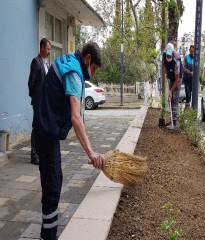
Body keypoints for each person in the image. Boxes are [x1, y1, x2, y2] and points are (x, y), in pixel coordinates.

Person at [32, 42, 105, 240]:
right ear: (88, 59)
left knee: (55, 181)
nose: (94, 73)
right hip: (46, 132)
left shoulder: (70, 60)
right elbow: (75, 117)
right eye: (95, 68)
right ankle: (48, 236)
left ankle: (48, 233)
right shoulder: (74, 72)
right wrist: (91, 153)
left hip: (46, 130)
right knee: (52, 186)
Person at [28, 38, 51, 165]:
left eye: (49, 49)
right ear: (42, 47)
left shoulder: (46, 63)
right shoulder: (36, 62)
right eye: (47, 49)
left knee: (42, 126)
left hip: (45, 102)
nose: (49, 52)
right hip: (38, 101)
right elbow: (31, 82)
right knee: (36, 127)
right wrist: (34, 97)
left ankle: (41, 151)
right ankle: (34, 154)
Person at [163, 43, 181, 128]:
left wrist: (171, 90)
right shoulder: (164, 55)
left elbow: (177, 80)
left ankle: (174, 122)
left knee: (174, 99)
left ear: (173, 53)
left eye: (170, 56)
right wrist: (166, 72)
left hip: (178, 79)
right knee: (170, 98)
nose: (168, 57)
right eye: (167, 55)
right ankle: (172, 121)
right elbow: (165, 65)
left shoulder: (177, 61)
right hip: (171, 77)